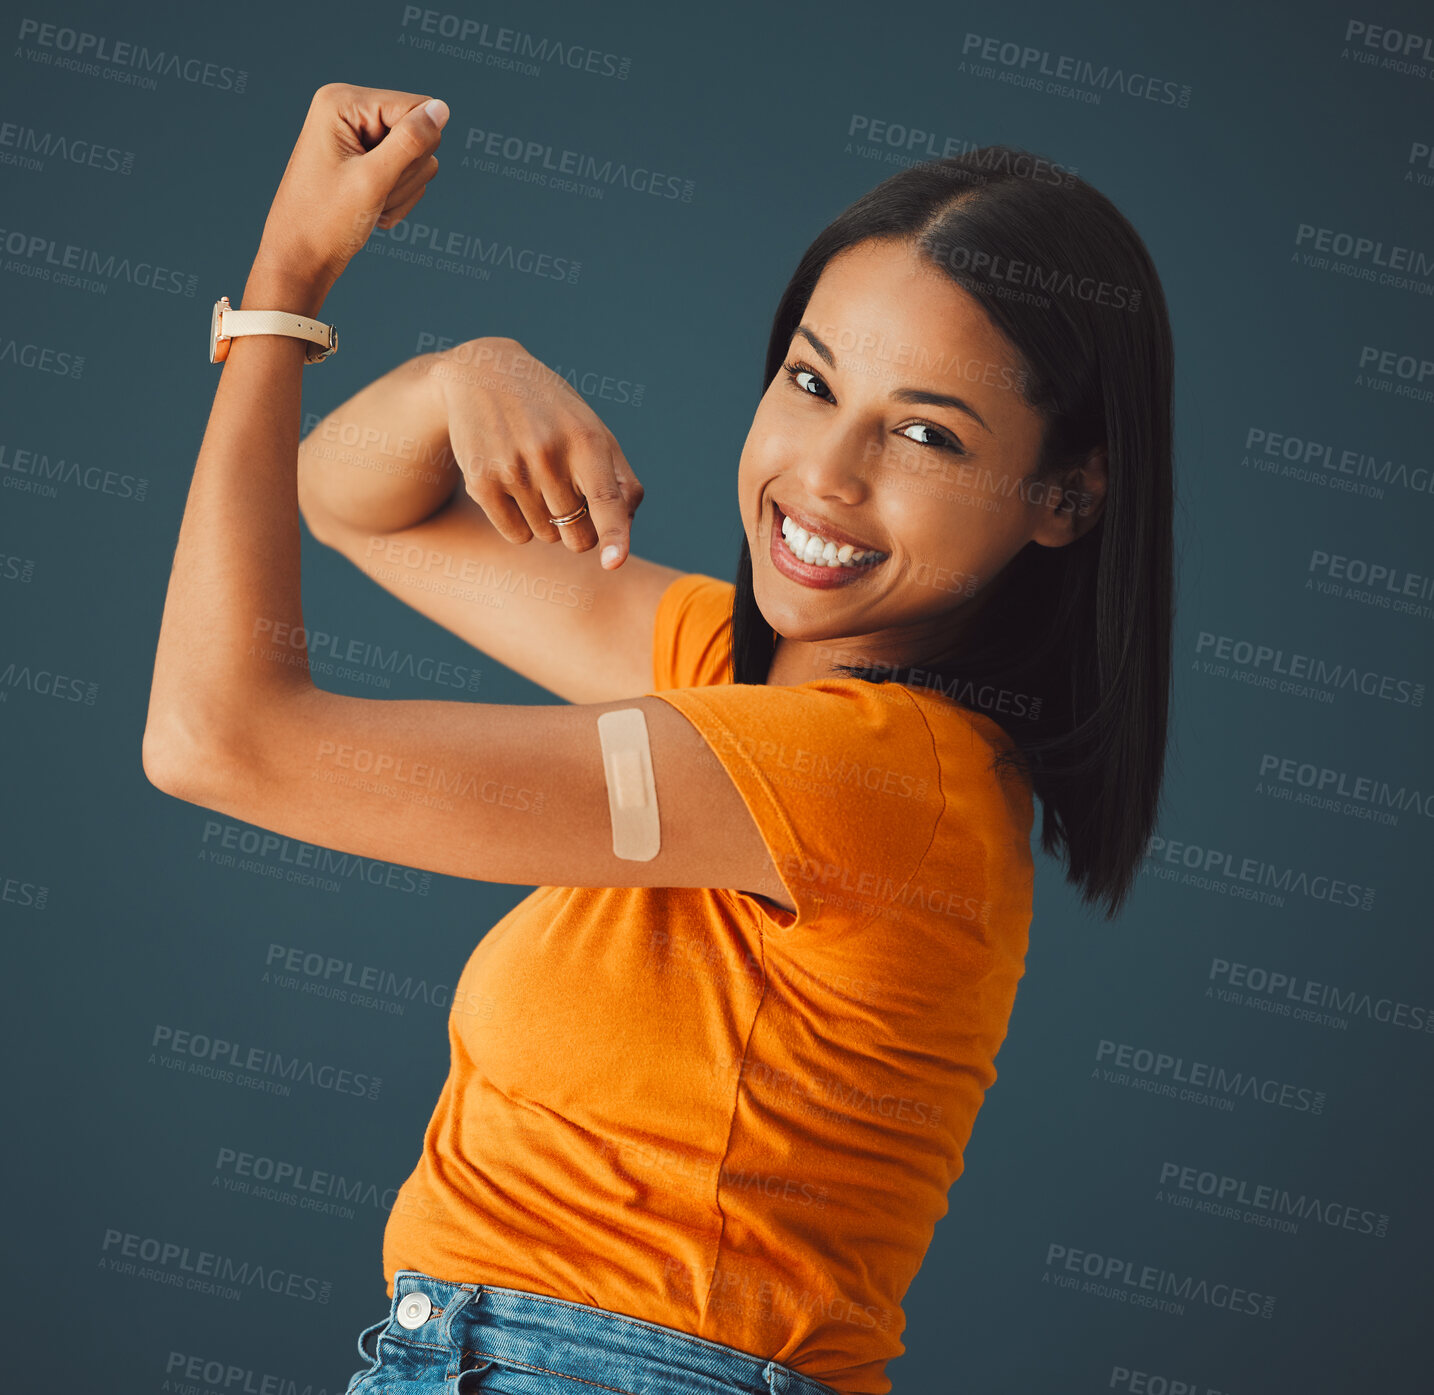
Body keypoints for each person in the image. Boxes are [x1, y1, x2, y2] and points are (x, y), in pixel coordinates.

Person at [144, 84, 1173, 1395]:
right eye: (811, 382)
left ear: (1064, 497)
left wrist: (287, 278)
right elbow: (354, 502)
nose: (825, 474)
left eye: (924, 433)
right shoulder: (746, 692)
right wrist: (468, 371)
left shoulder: (855, 777)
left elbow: (214, 740)